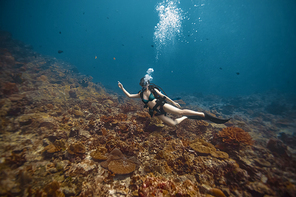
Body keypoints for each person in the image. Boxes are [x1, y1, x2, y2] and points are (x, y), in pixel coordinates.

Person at [118, 78, 229, 126]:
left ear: (148, 83)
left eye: (145, 84)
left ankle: (202, 114)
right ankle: (187, 117)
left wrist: (174, 102)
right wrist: (122, 88)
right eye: (142, 85)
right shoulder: (140, 94)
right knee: (173, 124)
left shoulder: (153, 89)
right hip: (156, 112)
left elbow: (164, 96)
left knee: (179, 112)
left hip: (161, 105)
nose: (144, 86)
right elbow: (129, 96)